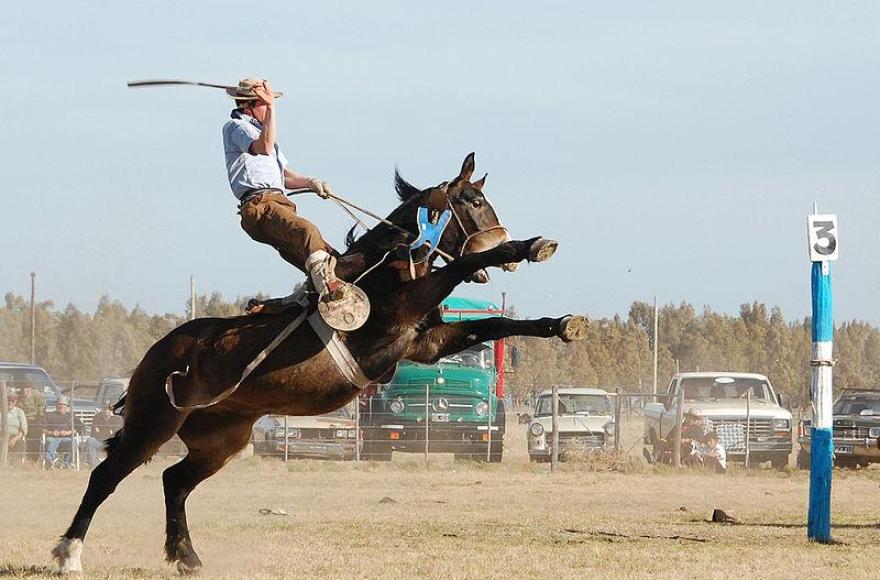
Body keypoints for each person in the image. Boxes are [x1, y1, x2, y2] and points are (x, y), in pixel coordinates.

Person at [223, 78, 364, 328]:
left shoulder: (264, 132)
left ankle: (286, 306)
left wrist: (312, 182)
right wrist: (272, 111)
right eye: (266, 103)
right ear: (250, 105)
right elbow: (263, 147)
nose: (270, 107)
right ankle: (331, 291)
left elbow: (285, 176)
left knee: (329, 259)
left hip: (278, 204)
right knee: (307, 232)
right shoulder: (236, 127)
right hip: (260, 206)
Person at [40, 396, 83, 468]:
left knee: (73, 443)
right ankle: (49, 462)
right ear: (56, 405)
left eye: (63, 405)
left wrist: (68, 432)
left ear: (67, 406)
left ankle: (66, 463)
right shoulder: (49, 415)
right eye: (59, 404)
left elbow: (78, 429)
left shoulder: (71, 416)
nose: (61, 406)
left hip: (67, 439)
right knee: (51, 442)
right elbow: (41, 428)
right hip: (52, 438)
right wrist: (51, 433)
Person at [18, 382, 45, 462]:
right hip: (21, 420)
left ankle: (33, 458)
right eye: (22, 388)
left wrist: (39, 418)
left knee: (34, 437)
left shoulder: (37, 396)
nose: (24, 390)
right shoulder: (18, 397)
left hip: (33, 420)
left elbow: (41, 410)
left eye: (26, 388)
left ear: (30, 388)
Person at [5, 392, 28, 463]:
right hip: (2, 436)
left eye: (12, 401)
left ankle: (14, 465)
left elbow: (24, 429)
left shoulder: (19, 412)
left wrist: (14, 439)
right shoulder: (1, 411)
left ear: (15, 402)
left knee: (21, 444)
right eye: (8, 401)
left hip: (15, 436)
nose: (10, 403)